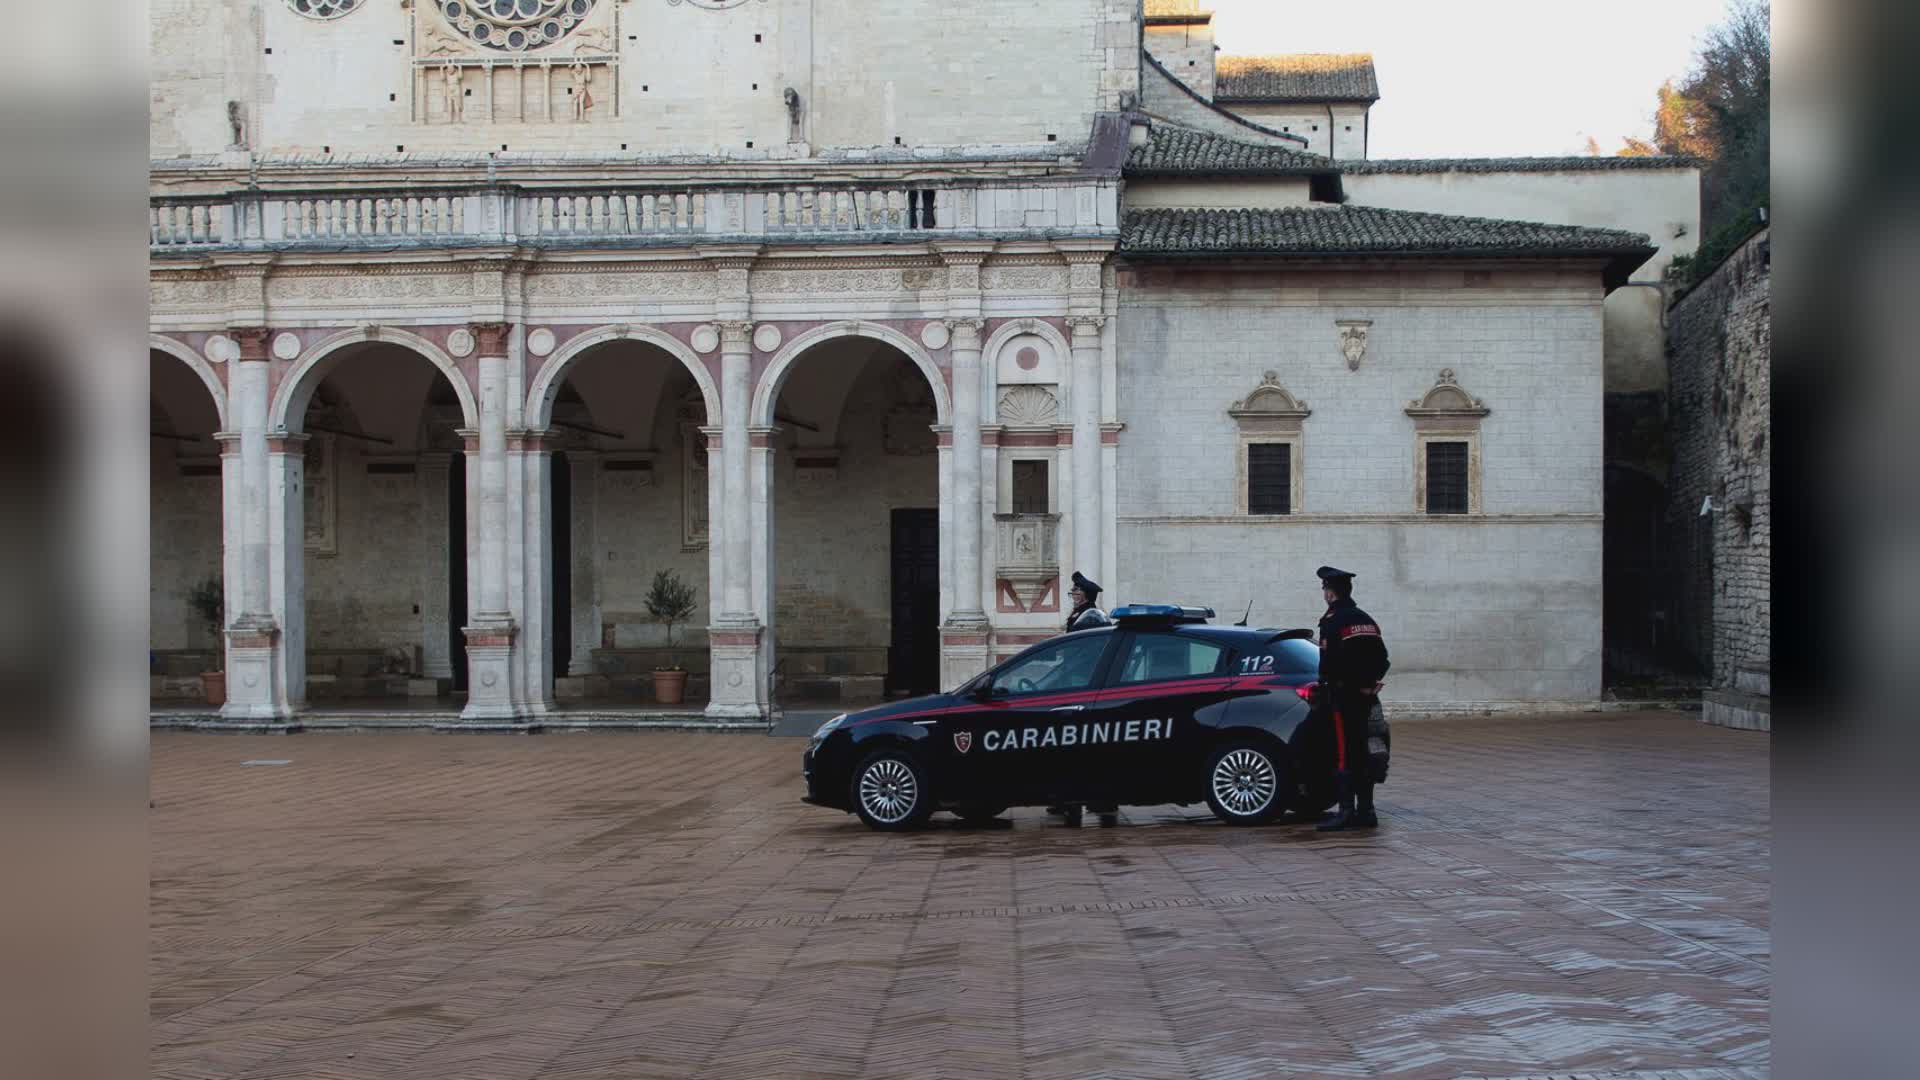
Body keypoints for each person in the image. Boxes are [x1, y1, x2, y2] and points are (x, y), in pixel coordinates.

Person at [1313, 566, 1390, 831]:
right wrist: (1368, 685)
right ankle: (1366, 811)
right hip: (1366, 697)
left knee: (1345, 754)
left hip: (1343, 698)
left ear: (1331, 594)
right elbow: (1383, 658)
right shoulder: (1366, 619)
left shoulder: (1333, 621)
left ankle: (1346, 812)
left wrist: (1349, 685)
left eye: (1325, 589)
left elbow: (1332, 662)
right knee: (1363, 752)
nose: (1324, 594)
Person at [1051, 571, 1115, 825]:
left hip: (1082, 687)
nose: (1073, 595)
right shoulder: (1080, 615)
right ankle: (1067, 799)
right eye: (1073, 592)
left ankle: (1091, 799)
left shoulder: (1092, 616)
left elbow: (1082, 653)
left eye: (1076, 592)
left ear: (1085, 594)